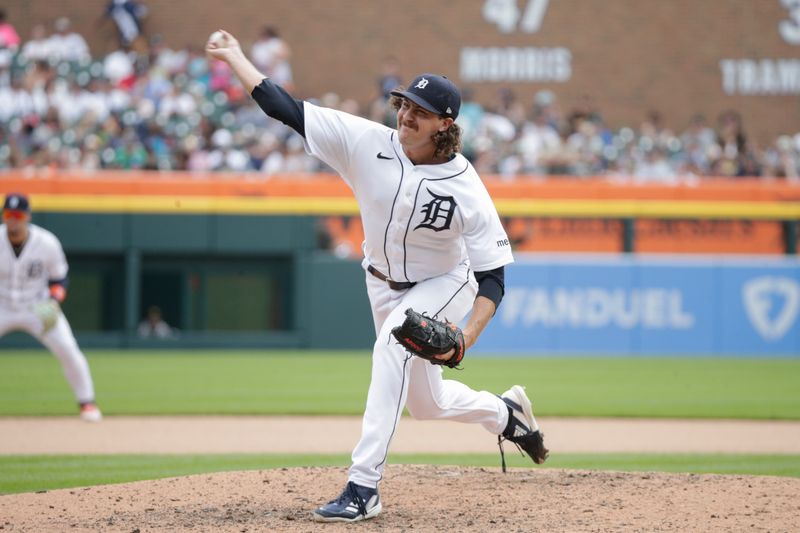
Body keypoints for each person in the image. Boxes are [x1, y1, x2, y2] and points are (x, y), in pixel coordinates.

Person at [206, 30, 548, 523]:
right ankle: (505, 415)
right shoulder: (367, 142)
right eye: (404, 104)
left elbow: (493, 277)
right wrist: (237, 57)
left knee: (392, 345)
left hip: (446, 282)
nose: (406, 116)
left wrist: (466, 337)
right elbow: (285, 107)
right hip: (380, 281)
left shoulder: (466, 186)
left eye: (421, 111)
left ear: (445, 125)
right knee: (426, 405)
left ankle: (363, 486)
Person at [0, 193, 102, 422]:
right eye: (9, 214)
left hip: (38, 307)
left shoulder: (46, 243)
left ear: (27, 216)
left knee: (68, 350)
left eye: (18, 215)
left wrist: (54, 300)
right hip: (2, 305)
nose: (13, 220)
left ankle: (87, 402)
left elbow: (60, 278)